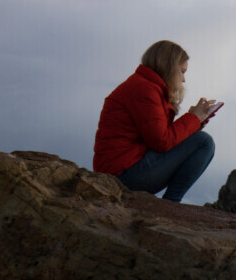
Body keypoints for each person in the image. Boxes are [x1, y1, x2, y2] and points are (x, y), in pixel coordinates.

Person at [93, 40, 221, 203]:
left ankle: (169, 204)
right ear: (169, 68)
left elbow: (158, 135)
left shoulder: (146, 86)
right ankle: (170, 204)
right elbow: (162, 142)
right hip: (123, 174)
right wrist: (193, 119)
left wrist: (195, 122)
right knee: (204, 142)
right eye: (182, 72)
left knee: (199, 139)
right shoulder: (145, 90)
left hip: (123, 169)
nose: (183, 80)